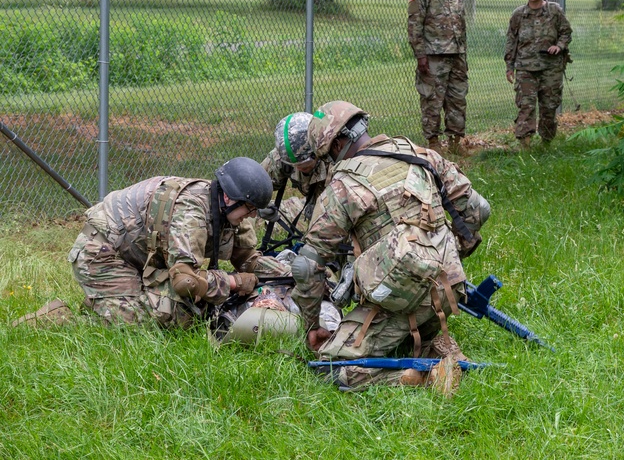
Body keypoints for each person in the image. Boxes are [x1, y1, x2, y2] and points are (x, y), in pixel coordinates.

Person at [290, 100, 491, 393]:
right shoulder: (421, 155)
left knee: (331, 368)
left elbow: (307, 265)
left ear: (334, 148)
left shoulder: (344, 185)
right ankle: (438, 347)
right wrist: (446, 256)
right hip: (448, 290)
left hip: (396, 300)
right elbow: (478, 211)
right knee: (415, 312)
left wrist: (312, 325)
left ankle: (420, 379)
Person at [19, 158, 289, 328]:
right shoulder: (192, 212)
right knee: (162, 314)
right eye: (250, 210)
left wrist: (292, 273)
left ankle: (110, 301)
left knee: (189, 310)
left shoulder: (232, 212)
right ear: (230, 199)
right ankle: (67, 319)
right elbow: (185, 282)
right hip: (103, 250)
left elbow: (248, 259)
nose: (252, 217)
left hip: (139, 256)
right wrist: (232, 282)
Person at [407, 0, 467, 154]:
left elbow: (461, 23)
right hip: (433, 56)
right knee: (432, 100)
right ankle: (433, 145)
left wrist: (463, 53)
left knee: (457, 98)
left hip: (457, 55)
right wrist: (420, 56)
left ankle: (455, 143)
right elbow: (415, 25)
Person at [504, 0, 572, 148]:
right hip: (526, 69)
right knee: (526, 107)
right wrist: (509, 67)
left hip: (551, 68)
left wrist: (559, 46)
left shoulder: (554, 10)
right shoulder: (519, 15)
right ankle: (524, 148)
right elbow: (511, 41)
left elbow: (566, 32)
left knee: (549, 107)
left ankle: (546, 143)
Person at [260, 112, 333, 231]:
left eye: (304, 165)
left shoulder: (336, 160)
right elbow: (253, 185)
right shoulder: (283, 157)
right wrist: (258, 204)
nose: (298, 169)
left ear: (317, 152)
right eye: (294, 165)